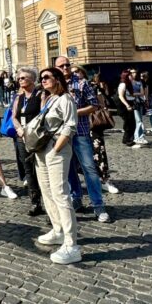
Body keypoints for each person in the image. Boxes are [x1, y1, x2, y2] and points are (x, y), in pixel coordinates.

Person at [32, 67, 81, 264]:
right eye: (41, 78)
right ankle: (58, 229)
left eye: (46, 78)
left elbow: (70, 125)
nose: (42, 81)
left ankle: (72, 245)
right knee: (47, 192)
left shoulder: (66, 99)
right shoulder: (50, 98)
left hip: (56, 149)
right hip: (43, 150)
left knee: (61, 194)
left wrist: (57, 147)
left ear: (58, 79)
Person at [54, 57, 110, 222]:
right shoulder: (54, 85)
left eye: (67, 64)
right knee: (68, 169)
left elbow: (94, 105)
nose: (65, 67)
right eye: (61, 65)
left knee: (89, 169)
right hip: (60, 134)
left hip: (80, 131)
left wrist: (73, 112)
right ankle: (76, 198)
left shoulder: (82, 83)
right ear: (55, 68)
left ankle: (98, 205)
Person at [74, 65, 119, 195]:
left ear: (83, 73)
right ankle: (88, 179)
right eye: (73, 73)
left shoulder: (92, 86)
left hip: (92, 123)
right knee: (77, 156)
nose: (75, 74)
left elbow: (100, 104)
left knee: (98, 151)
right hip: (76, 126)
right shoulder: (68, 88)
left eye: (77, 71)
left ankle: (104, 180)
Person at [12, 67, 44, 216]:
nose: (20, 80)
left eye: (24, 77)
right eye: (19, 78)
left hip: (37, 137)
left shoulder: (40, 95)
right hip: (22, 137)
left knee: (41, 169)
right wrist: (19, 129)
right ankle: (35, 202)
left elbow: (43, 115)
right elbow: (14, 117)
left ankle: (49, 203)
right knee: (28, 171)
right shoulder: (19, 98)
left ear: (33, 79)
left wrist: (29, 130)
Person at [117, 70, 139, 147]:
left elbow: (129, 94)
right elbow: (120, 96)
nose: (131, 76)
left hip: (129, 104)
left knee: (131, 123)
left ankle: (126, 139)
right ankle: (128, 140)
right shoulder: (123, 84)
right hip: (124, 106)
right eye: (130, 75)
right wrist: (127, 105)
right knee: (129, 124)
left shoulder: (128, 84)